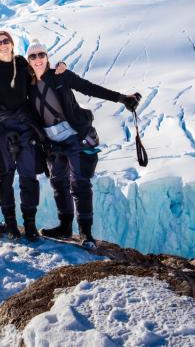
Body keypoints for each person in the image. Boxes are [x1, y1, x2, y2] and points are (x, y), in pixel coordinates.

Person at [26, 38, 141, 250]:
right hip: (51, 141)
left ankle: (86, 234)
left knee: (80, 183)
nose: (38, 59)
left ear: (47, 58)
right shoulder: (28, 84)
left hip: (74, 136)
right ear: (28, 61)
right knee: (58, 182)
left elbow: (88, 88)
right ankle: (65, 226)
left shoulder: (60, 75)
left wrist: (122, 98)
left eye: (41, 55)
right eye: (33, 56)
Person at [0, 32, 66, 242]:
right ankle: (11, 225)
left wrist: (60, 68)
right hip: (1, 127)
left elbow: (41, 72)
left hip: (25, 126)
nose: (3, 44)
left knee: (28, 176)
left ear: (12, 43)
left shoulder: (21, 63)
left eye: (6, 41)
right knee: (5, 177)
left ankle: (30, 225)